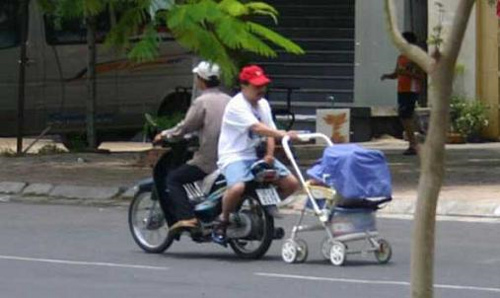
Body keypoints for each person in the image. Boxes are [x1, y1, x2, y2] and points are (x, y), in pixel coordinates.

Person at [212, 65, 301, 245]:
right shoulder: (237, 106)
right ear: (244, 86)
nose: (261, 90)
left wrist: (269, 155)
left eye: (263, 86)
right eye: (256, 86)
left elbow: (269, 131)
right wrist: (283, 134)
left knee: (291, 184)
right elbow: (257, 128)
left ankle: (261, 207)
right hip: (235, 155)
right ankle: (223, 219)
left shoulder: (263, 105)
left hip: (256, 155)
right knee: (237, 188)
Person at [154, 61, 231, 233]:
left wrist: (165, 135)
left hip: (210, 160)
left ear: (201, 80)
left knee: (173, 179)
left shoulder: (201, 102)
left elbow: (185, 127)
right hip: (229, 156)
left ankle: (187, 218)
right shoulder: (229, 100)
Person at [381, 31, 425, 156]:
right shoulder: (401, 57)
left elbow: (421, 76)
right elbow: (397, 73)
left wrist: (405, 73)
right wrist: (388, 76)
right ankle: (413, 143)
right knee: (404, 117)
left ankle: (413, 145)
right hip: (402, 90)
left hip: (411, 90)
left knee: (406, 117)